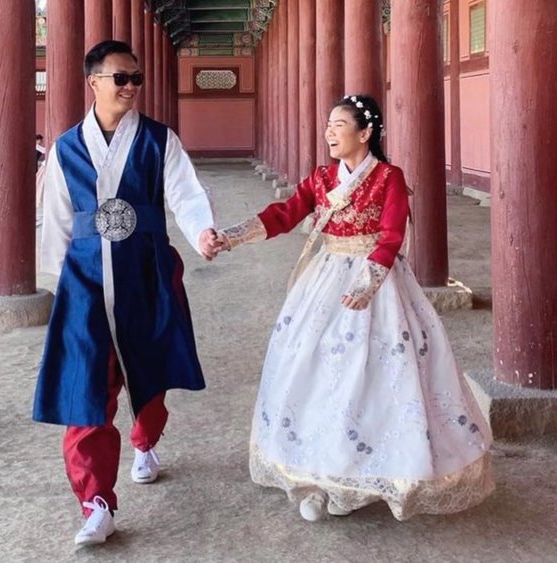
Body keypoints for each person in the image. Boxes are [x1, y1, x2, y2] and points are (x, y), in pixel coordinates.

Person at [216, 94, 495, 522]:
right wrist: (232, 236)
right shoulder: (322, 178)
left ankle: (374, 475)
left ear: (365, 133)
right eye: (328, 124)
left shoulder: (388, 178)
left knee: (382, 375)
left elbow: (391, 235)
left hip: (378, 285)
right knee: (316, 370)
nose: (329, 132)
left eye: (339, 125)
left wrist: (368, 284)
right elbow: (286, 213)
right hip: (326, 278)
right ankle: (320, 477)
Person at [34, 40, 224, 547]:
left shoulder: (158, 140)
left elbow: (185, 192)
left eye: (136, 78)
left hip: (146, 272)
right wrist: (62, 282)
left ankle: (145, 439)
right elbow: (57, 215)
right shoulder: (66, 148)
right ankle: (96, 502)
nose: (131, 87)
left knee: (151, 371)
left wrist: (201, 231)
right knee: (86, 390)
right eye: (120, 78)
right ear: (93, 82)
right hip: (85, 281)